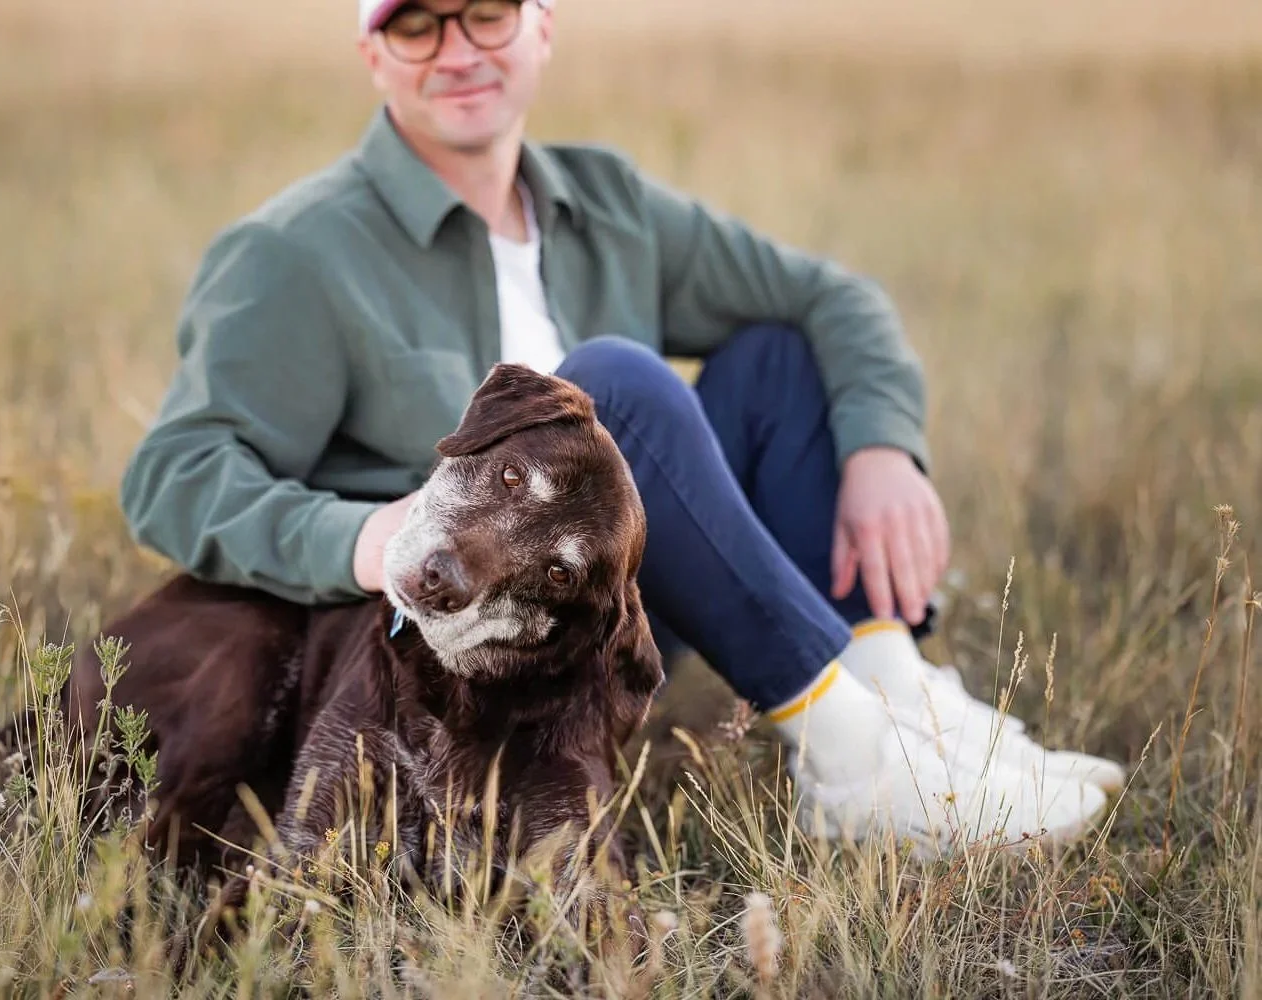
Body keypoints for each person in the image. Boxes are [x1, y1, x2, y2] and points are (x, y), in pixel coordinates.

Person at [119, 0, 1125, 850]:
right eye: (418, 25)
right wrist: (366, 539)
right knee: (608, 388)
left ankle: (897, 692)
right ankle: (854, 754)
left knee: (773, 357)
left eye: (489, 12)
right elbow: (175, 471)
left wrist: (881, 448)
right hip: (458, 644)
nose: (460, 50)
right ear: (372, 54)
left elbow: (835, 298)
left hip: (603, 609)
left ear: (542, 28)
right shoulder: (295, 252)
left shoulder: (605, 200)